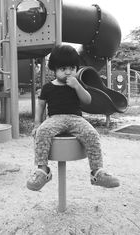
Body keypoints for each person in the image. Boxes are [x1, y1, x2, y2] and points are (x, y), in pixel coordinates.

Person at [27, 44, 120, 191]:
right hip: (55, 119)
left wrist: (77, 86)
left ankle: (97, 172)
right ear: (55, 69)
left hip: (76, 118)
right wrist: (37, 123)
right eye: (63, 69)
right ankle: (42, 170)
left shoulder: (77, 84)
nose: (68, 72)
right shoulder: (48, 87)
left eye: (72, 68)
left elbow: (87, 100)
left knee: (92, 133)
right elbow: (40, 105)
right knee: (42, 132)